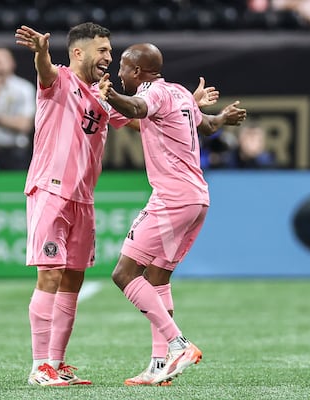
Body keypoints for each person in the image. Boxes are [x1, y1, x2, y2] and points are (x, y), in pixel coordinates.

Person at [14, 23, 219, 387]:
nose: (109, 57)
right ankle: (39, 365)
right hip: (51, 190)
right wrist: (41, 53)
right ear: (78, 52)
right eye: (103, 50)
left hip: (83, 198)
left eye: (111, 51)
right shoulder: (59, 80)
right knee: (50, 274)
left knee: (73, 281)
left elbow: (144, 116)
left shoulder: (101, 94)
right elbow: (44, 73)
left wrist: (188, 105)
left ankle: (57, 363)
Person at [99, 43, 246, 386]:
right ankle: (158, 365)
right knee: (158, 278)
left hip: (172, 199)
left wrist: (110, 96)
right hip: (198, 199)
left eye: (122, 67)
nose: (118, 73)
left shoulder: (152, 93)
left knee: (123, 274)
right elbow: (207, 126)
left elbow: (136, 107)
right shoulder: (180, 93)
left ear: (137, 72)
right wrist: (223, 118)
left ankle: (178, 344)